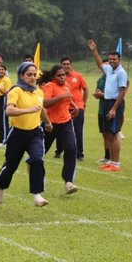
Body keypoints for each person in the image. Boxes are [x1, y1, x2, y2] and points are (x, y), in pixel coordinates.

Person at [0, 61, 53, 207]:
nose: (33, 77)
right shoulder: (16, 91)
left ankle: (37, 195)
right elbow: (9, 111)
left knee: (37, 160)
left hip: (35, 133)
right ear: (21, 75)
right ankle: (0, 186)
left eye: (34, 74)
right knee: (11, 166)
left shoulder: (38, 92)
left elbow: (41, 109)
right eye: (29, 75)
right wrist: (28, 110)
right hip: (17, 134)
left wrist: (47, 123)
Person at [88, 39, 129, 171]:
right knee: (109, 134)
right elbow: (100, 64)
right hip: (106, 102)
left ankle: (116, 163)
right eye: (110, 59)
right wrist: (94, 51)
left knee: (114, 133)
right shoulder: (110, 69)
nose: (111, 61)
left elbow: (122, 92)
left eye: (114, 59)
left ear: (119, 60)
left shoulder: (121, 73)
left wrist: (114, 109)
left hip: (114, 103)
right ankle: (111, 160)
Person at [40, 65, 79, 193]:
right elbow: (44, 103)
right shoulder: (50, 86)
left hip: (66, 123)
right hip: (50, 124)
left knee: (71, 149)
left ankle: (68, 182)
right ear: (53, 77)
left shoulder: (66, 85)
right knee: (40, 152)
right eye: (59, 75)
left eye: (64, 75)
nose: (63, 77)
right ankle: (35, 171)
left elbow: (67, 98)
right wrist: (61, 97)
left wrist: (74, 106)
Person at [59, 56, 88, 161]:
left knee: (78, 131)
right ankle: (61, 151)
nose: (66, 66)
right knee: (62, 131)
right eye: (64, 64)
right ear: (61, 65)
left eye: (68, 64)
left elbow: (85, 89)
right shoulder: (59, 77)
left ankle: (80, 153)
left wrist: (83, 104)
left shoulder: (77, 76)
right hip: (64, 107)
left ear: (71, 65)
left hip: (77, 107)